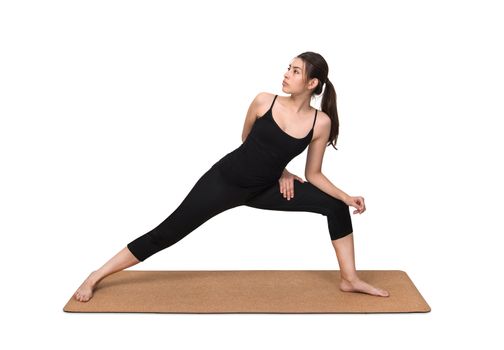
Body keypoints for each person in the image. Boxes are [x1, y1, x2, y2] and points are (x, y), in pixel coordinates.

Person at [74, 51, 389, 302]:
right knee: (166, 233)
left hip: (265, 190)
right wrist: (281, 169)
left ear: (311, 83)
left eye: (295, 71)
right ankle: (95, 275)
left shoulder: (320, 123)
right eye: (288, 67)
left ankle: (350, 279)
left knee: (333, 207)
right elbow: (247, 140)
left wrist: (346, 197)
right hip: (224, 182)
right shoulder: (264, 101)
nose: (286, 73)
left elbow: (314, 174)